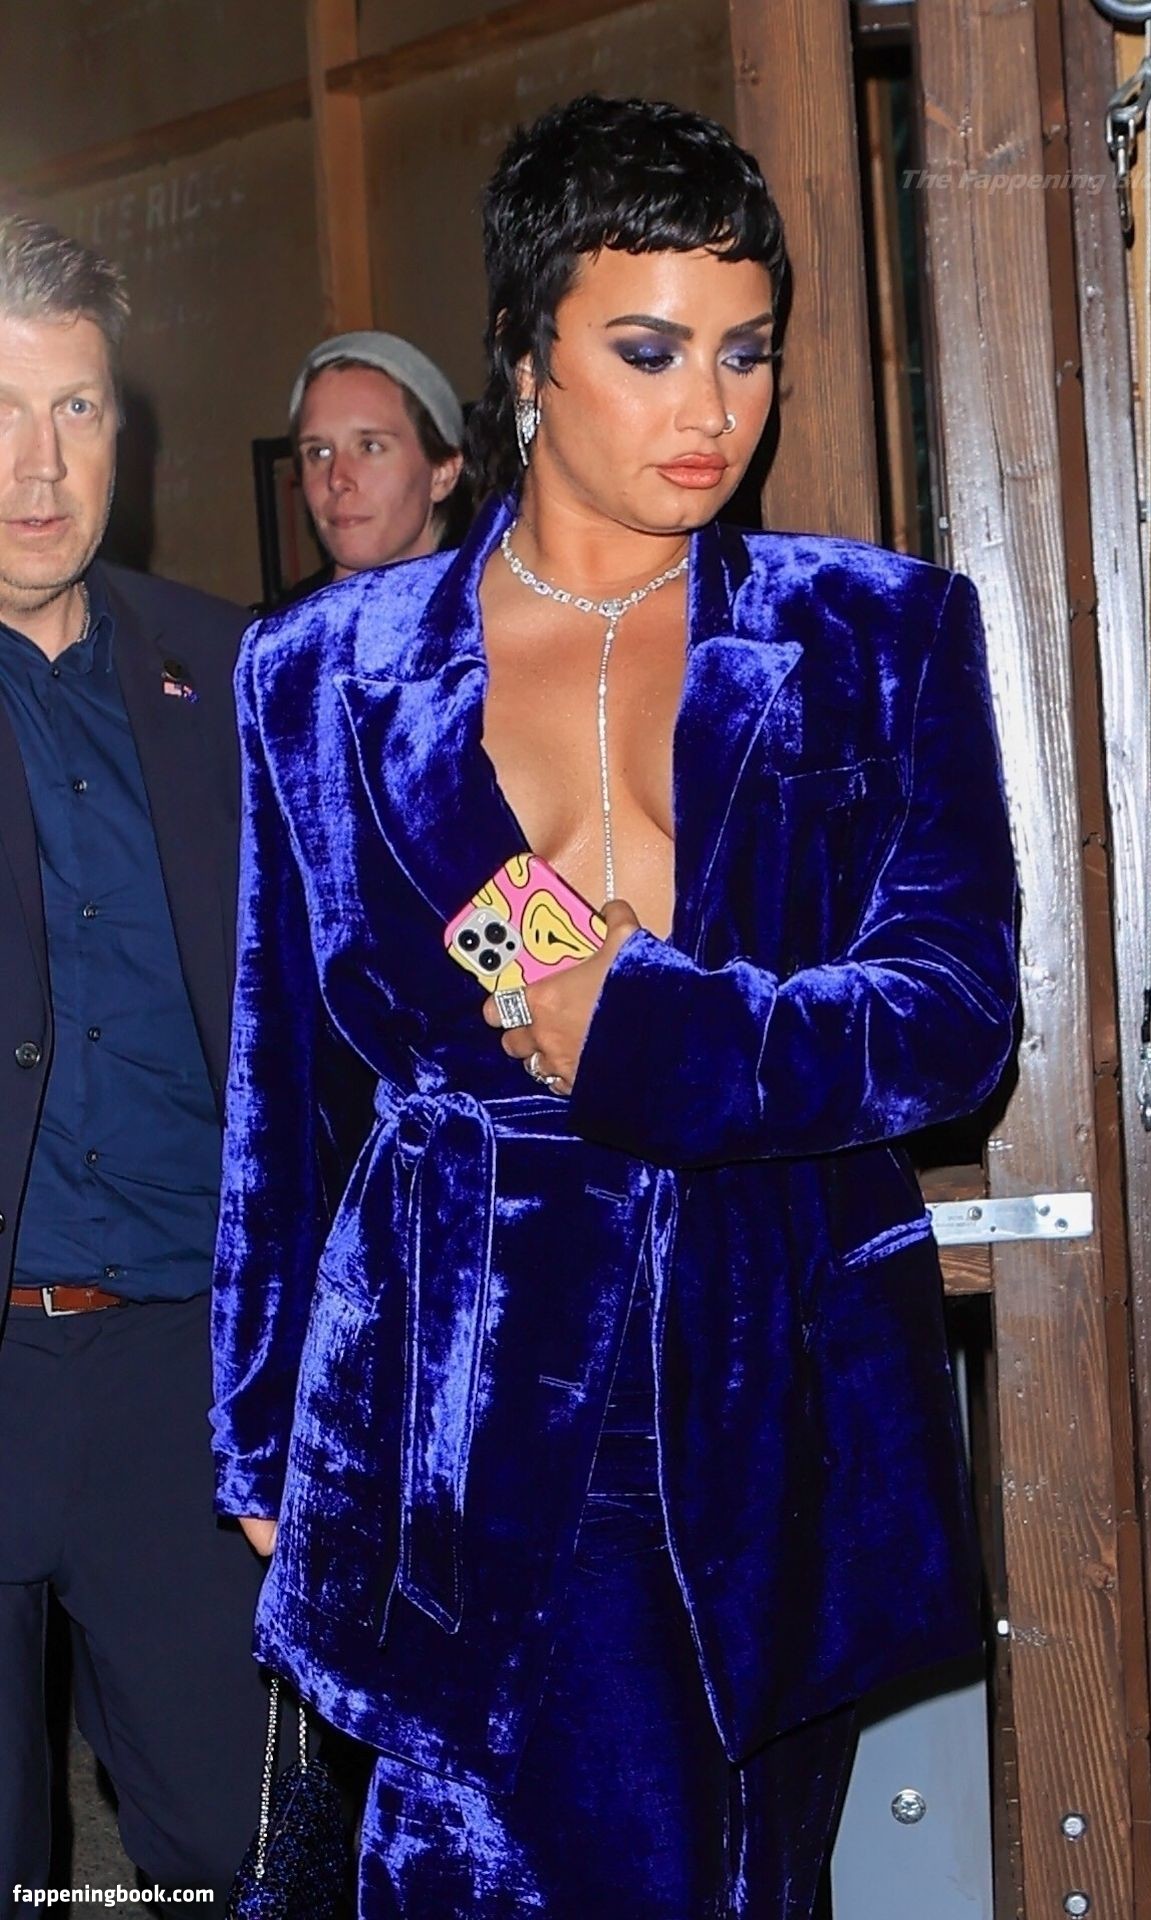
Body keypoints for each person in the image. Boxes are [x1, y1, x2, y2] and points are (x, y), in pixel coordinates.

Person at [211, 94, 1018, 1918]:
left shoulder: (875, 633)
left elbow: (955, 1011)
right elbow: (283, 1082)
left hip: (760, 1380)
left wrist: (656, 1037)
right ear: (523, 362)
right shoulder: (318, 670)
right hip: (445, 1385)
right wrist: (259, 1432)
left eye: (745, 352)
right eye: (647, 353)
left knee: (731, 1875)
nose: (708, 407)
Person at [0, 215, 268, 1908]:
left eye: (77, 410)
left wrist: (583, 965)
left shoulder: (233, 668)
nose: (39, 467)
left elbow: (423, 886)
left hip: (183, 1366)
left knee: (239, 1848)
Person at [280, 330, 464, 604]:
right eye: (319, 452)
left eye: (370, 447)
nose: (337, 479)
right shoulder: (280, 628)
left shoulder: (491, 621)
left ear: (442, 474)